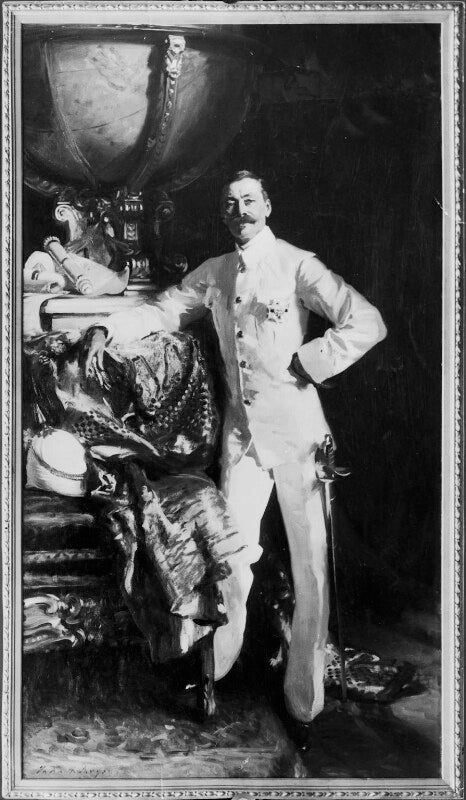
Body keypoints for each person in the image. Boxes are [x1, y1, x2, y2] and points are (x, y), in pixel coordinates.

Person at [84, 170, 386, 723]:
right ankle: (217, 669)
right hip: (243, 440)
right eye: (229, 204)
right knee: (231, 557)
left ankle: (304, 697)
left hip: (298, 436)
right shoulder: (217, 272)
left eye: (249, 201)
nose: (239, 211)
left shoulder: (297, 264)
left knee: (310, 567)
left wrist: (312, 361)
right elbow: (165, 308)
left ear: (267, 205)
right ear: (223, 214)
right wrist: (107, 327)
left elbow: (366, 320)